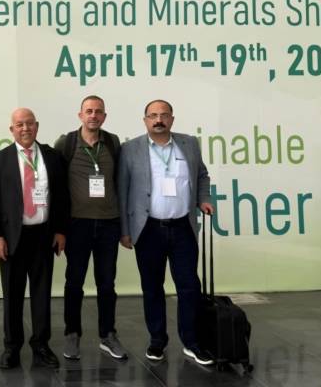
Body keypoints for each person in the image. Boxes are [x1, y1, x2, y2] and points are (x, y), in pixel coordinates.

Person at [118, 99, 215, 364]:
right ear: (145, 120)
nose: (158, 120)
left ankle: (192, 342)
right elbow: (122, 191)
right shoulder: (130, 149)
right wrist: (125, 231)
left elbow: (202, 175)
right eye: (153, 115)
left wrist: (204, 199)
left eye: (163, 115)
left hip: (183, 227)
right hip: (148, 229)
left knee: (189, 286)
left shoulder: (189, 144)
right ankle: (157, 341)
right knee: (152, 287)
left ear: (172, 119)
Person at [0, 108, 69, 369]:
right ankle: (12, 347)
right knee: (12, 294)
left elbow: (62, 197)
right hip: (12, 238)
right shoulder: (0, 159)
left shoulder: (52, 157)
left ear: (37, 126)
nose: (25, 128)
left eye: (30, 124)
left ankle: (41, 344)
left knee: (42, 293)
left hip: (43, 235)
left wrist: (60, 230)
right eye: (20, 125)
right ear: (12, 129)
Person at [54, 95, 126, 360]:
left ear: (104, 116)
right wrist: (59, 228)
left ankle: (108, 335)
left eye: (98, 111)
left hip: (108, 224)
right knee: (74, 282)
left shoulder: (113, 143)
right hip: (77, 225)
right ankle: (72, 334)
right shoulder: (67, 143)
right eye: (89, 111)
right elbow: (57, 186)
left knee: (107, 283)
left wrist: (123, 225)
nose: (93, 115)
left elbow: (120, 182)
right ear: (80, 115)